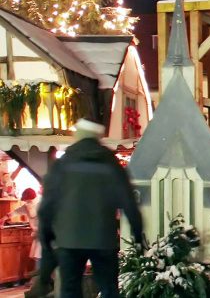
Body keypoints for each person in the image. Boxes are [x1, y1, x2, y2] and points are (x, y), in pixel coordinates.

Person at [38, 119, 143, 298]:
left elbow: (48, 203)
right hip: (103, 238)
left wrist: (46, 234)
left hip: (69, 239)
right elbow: (127, 200)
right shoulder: (110, 163)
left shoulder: (64, 163)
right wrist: (137, 232)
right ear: (98, 137)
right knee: (109, 289)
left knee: (70, 290)